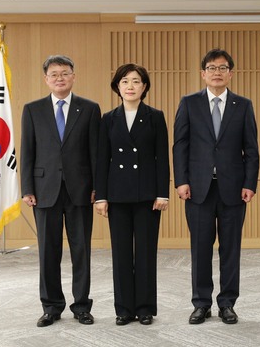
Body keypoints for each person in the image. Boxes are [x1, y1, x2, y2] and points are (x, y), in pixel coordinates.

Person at [172, 49, 259, 325]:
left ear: (231, 73)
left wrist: (249, 183)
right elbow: (180, 145)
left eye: (223, 68)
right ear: (203, 74)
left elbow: (252, 149)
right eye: (212, 68)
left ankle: (227, 303)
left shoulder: (243, 105)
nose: (217, 72)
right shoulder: (189, 103)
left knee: (230, 248)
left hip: (234, 188)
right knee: (200, 248)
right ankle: (201, 303)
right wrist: (181, 180)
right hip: (198, 188)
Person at [20, 55, 101, 327]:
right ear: (46, 79)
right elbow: (28, 151)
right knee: (48, 251)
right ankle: (51, 307)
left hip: (80, 190)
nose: (59, 78)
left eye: (64, 73)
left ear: (73, 76)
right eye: (54, 74)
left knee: (81, 250)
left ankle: (81, 306)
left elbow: (95, 153)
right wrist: (27, 188)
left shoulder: (90, 109)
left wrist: (97, 188)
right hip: (44, 191)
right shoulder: (32, 110)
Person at [94, 64, 169, 326]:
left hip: (148, 195)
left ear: (144, 87)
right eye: (124, 81)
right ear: (117, 86)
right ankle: (124, 308)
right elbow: (102, 159)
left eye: (136, 81)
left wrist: (163, 193)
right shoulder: (108, 118)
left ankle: (146, 307)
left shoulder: (155, 116)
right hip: (117, 195)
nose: (130, 86)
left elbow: (162, 158)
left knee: (146, 252)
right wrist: (101, 196)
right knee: (121, 253)